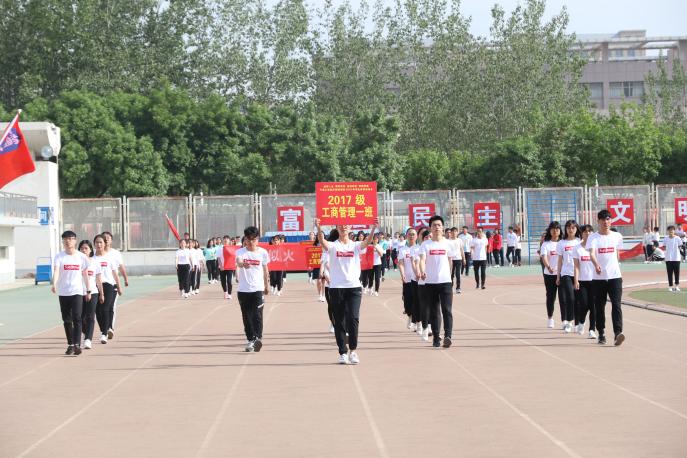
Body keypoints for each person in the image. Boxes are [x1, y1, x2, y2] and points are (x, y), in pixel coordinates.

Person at [315, 217, 376, 364]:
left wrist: (373, 228)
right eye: (341, 225)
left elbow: (367, 242)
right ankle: (343, 352)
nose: (344, 227)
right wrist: (318, 227)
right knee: (339, 321)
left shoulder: (355, 245)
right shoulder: (333, 246)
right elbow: (322, 242)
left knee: (353, 318)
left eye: (346, 225)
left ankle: (353, 351)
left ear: (350, 228)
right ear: (337, 227)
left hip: (354, 287)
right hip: (337, 288)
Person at [588, 209, 625, 346]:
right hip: (598, 278)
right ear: (598, 221)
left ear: (611, 221)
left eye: (608, 219)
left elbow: (617, 253)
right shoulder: (593, 237)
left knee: (616, 304)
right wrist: (596, 264)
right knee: (599, 306)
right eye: (603, 219)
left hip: (615, 277)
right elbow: (592, 253)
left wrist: (616, 268)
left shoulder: (617, 236)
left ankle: (617, 333)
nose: (606, 222)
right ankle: (601, 333)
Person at [52, 231, 91, 355]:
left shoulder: (81, 257)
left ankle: (77, 344)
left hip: (77, 291)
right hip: (63, 292)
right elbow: (56, 271)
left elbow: (85, 274)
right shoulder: (59, 256)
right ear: (62, 241)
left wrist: (88, 289)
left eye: (71, 238)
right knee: (67, 320)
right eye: (65, 239)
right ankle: (70, 344)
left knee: (77, 317)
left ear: (75, 240)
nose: (68, 241)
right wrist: (54, 284)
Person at [418, 215, 454, 348]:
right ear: (430, 228)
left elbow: (450, 260)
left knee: (447, 310)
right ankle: (436, 338)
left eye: (439, 225)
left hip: (445, 281)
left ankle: (448, 336)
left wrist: (449, 276)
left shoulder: (448, 243)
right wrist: (422, 271)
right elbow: (422, 260)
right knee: (434, 311)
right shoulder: (425, 244)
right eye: (434, 225)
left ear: (443, 228)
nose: (437, 227)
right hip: (430, 282)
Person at [236, 226, 270, 352]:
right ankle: (250, 339)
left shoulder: (263, 252)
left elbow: (265, 270)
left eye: (253, 239)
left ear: (258, 239)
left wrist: (266, 285)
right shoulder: (241, 252)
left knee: (257, 315)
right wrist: (242, 264)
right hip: (243, 290)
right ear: (245, 239)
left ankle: (257, 339)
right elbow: (239, 262)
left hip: (258, 289)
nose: (251, 242)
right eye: (248, 239)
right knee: (247, 317)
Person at [93, 234, 122, 344]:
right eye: (97, 242)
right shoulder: (92, 259)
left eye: (101, 242)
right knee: (97, 310)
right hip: (95, 286)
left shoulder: (109, 258)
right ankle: (103, 330)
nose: (99, 244)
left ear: (104, 244)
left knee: (105, 308)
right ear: (94, 244)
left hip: (108, 285)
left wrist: (119, 286)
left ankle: (104, 333)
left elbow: (115, 274)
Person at [556, 220, 581, 334]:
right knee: (570, 297)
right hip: (566, 273)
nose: (570, 230)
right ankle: (569, 322)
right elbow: (559, 261)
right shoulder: (561, 243)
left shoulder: (579, 242)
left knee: (577, 300)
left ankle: (577, 323)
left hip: (578, 274)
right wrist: (558, 276)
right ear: (565, 229)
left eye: (573, 228)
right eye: (568, 228)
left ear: (576, 229)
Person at [102, 231, 128, 339]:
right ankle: (104, 328)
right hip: (100, 285)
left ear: (111, 240)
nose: (106, 239)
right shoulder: (97, 254)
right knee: (101, 309)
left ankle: (110, 328)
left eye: (108, 238)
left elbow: (121, 267)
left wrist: (125, 279)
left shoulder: (115, 253)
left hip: (113, 284)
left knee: (111, 306)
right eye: (104, 238)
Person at [79, 239, 103, 350]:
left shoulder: (95, 262)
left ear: (90, 250)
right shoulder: (76, 262)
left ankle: (88, 339)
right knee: (79, 317)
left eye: (86, 248)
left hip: (93, 292)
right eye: (81, 248)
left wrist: (102, 293)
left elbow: (98, 279)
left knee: (90, 316)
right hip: (78, 292)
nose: (84, 250)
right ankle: (85, 332)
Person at [573, 224, 597, 339]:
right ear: (581, 234)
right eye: (585, 231)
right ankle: (581, 321)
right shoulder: (577, 248)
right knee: (584, 304)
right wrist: (576, 280)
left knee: (593, 307)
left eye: (590, 231)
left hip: (595, 281)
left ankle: (592, 330)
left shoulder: (596, 247)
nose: (587, 233)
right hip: (582, 281)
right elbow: (576, 266)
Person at [540, 221, 562, 329]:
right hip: (550, 274)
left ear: (560, 231)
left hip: (562, 274)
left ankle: (565, 320)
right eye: (553, 229)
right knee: (551, 297)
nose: (555, 231)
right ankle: (550, 318)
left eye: (557, 229)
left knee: (563, 298)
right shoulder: (546, 244)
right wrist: (548, 267)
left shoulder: (562, 243)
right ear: (550, 230)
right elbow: (544, 257)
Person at [398, 228, 418, 330]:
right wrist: (402, 274)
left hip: (417, 279)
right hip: (407, 279)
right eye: (410, 234)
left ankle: (415, 321)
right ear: (406, 236)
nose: (411, 236)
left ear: (417, 236)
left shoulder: (419, 248)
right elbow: (401, 263)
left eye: (413, 234)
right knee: (407, 301)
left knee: (416, 300)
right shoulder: (403, 250)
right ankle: (410, 316)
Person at [413, 228, 432, 340]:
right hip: (422, 281)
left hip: (434, 281)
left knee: (433, 306)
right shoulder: (419, 249)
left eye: (430, 236)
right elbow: (417, 262)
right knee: (424, 306)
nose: (428, 238)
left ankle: (430, 327)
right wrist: (418, 272)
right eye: (426, 237)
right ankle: (424, 327)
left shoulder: (436, 247)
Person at [217, 235, 236, 300]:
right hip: (222, 267)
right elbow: (218, 258)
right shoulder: (220, 248)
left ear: (229, 240)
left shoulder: (232, 248)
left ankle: (229, 294)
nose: (225, 240)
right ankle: (225, 292)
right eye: (224, 239)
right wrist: (221, 266)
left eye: (227, 239)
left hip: (229, 267)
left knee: (229, 281)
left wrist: (235, 264)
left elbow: (234, 257)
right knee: (223, 281)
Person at [664, 225, 682, 292]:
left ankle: (677, 286)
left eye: (672, 230)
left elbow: (680, 246)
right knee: (669, 273)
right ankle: (670, 286)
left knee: (677, 273)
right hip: (668, 258)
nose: (671, 231)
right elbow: (664, 247)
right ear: (668, 231)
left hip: (676, 258)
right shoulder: (666, 238)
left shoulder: (677, 238)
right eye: (669, 230)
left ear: (674, 231)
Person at [448, 227, 465, 294]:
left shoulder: (459, 240)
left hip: (458, 259)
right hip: (451, 259)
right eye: (452, 232)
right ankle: (451, 287)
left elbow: (461, 250)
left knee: (458, 274)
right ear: (451, 233)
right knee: (451, 274)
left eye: (455, 232)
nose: (454, 233)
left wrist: (464, 259)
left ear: (457, 233)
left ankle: (458, 288)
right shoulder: (448, 241)